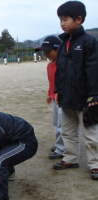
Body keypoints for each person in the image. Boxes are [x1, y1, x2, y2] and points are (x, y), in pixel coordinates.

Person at [53, 1, 98, 180]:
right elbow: (59, 69)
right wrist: (57, 90)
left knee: (90, 134)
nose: (62, 23)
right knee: (67, 131)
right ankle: (70, 158)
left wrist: (94, 96)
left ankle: (95, 165)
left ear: (79, 19)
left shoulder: (89, 42)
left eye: (65, 19)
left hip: (85, 98)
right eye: (60, 20)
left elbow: (94, 70)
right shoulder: (63, 42)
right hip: (66, 97)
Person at [35, 36, 65, 159]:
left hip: (63, 99)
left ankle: (62, 149)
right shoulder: (50, 65)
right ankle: (60, 145)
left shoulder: (64, 64)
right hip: (54, 98)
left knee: (62, 124)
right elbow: (52, 82)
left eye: (49, 52)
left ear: (58, 49)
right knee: (56, 123)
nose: (47, 55)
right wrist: (49, 94)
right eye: (45, 53)